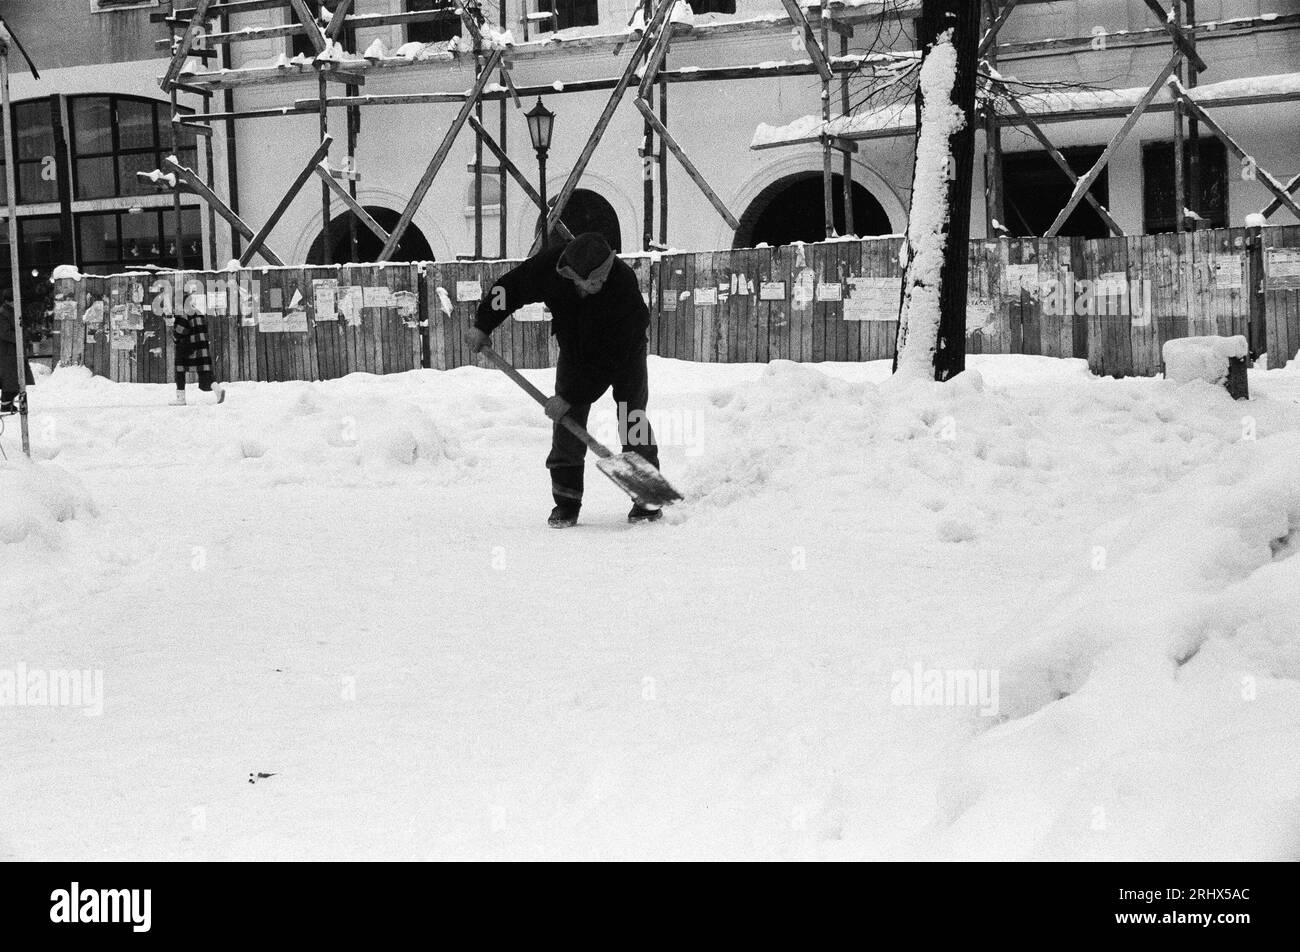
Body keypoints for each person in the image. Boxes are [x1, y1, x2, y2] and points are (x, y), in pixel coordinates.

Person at [465, 232, 662, 528]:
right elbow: (510, 287)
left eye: (602, 278)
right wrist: (483, 324)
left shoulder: (622, 287)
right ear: (570, 274)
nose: (598, 285)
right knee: (567, 421)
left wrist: (570, 396)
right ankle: (567, 501)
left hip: (624, 351)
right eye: (591, 281)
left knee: (632, 415)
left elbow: (609, 362)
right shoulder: (549, 267)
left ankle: (647, 497)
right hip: (575, 348)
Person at [171, 307, 224, 405]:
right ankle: (218, 390)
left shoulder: (184, 314)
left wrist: (174, 334)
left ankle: (180, 398)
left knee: (180, 372)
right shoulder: (199, 312)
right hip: (201, 347)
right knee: (204, 371)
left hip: (188, 348)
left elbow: (179, 332)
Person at [0, 298, 33, 415]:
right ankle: (6, 404)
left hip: (12, 352)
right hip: (8, 353)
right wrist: (20, 336)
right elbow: (4, 333)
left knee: (16, 379)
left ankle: (7, 403)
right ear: (9, 301)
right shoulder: (4, 313)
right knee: (12, 380)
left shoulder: (10, 312)